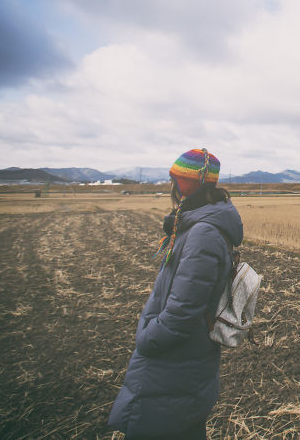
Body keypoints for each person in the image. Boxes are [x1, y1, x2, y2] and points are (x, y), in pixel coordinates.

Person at [108, 148, 243, 439]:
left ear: (193, 183)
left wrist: (149, 338)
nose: (172, 185)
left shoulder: (202, 233)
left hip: (175, 359)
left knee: (160, 424)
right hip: (182, 360)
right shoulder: (194, 227)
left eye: (177, 179)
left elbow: (183, 309)